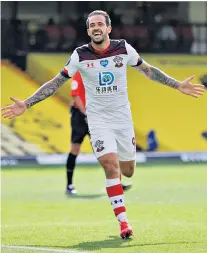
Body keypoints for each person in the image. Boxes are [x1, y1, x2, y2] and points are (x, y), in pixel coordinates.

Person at [1, 10, 205, 239]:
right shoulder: (80, 55)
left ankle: (118, 177)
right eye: (91, 25)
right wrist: (27, 103)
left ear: (108, 28)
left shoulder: (124, 49)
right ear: (88, 31)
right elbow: (56, 83)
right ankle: (124, 223)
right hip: (97, 120)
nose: (96, 28)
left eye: (100, 24)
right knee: (110, 165)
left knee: (127, 171)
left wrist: (177, 85)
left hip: (122, 119)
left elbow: (148, 71)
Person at [66, 71, 132, 195]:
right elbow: (75, 95)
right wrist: (85, 113)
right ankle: (69, 185)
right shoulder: (79, 73)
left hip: (95, 116)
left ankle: (116, 183)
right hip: (80, 117)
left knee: (106, 149)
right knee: (75, 148)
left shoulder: (97, 74)